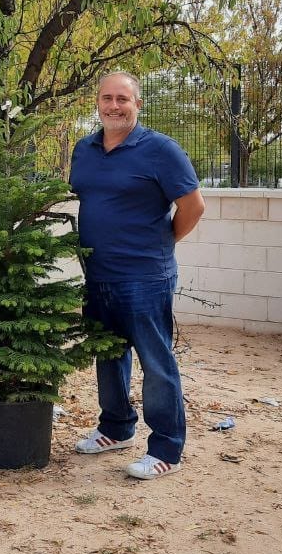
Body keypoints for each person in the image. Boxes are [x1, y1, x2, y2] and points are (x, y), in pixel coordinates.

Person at [69, 71, 205, 481]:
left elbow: (193, 206)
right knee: (109, 356)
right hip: (98, 274)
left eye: (122, 99)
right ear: (98, 103)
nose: (114, 106)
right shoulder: (84, 149)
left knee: (156, 363)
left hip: (145, 277)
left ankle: (166, 449)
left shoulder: (161, 149)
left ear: (137, 105)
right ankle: (116, 428)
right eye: (107, 98)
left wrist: (162, 243)